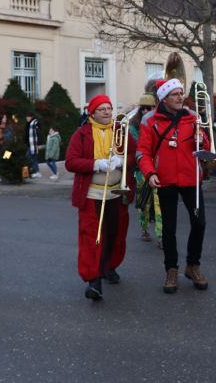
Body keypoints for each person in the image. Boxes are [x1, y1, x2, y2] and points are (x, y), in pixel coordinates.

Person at [138, 79, 210, 294]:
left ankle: (193, 266)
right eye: (175, 94)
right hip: (165, 179)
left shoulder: (193, 117)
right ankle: (171, 269)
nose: (180, 97)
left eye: (181, 93)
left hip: (191, 178)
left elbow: (205, 146)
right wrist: (150, 173)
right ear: (164, 98)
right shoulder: (149, 120)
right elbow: (143, 152)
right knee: (168, 228)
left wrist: (202, 141)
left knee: (199, 223)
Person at [65, 94, 137, 301]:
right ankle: (93, 280)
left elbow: (136, 154)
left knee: (115, 233)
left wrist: (121, 161)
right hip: (91, 193)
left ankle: (110, 267)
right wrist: (97, 164)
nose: (107, 112)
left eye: (109, 108)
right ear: (93, 113)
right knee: (91, 236)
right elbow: (70, 162)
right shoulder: (81, 134)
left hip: (117, 192)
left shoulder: (121, 131)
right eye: (102, 109)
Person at [129, 94, 162, 248]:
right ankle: (144, 229)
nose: (145, 111)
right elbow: (139, 149)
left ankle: (161, 235)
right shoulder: (134, 127)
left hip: (159, 169)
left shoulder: (160, 123)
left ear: (155, 108)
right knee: (144, 202)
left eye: (149, 108)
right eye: (143, 108)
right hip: (141, 170)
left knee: (159, 202)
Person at [24, 112, 42, 178]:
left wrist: (39, 143)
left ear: (31, 117)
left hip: (34, 144)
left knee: (28, 156)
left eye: (28, 116)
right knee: (34, 158)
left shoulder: (35, 123)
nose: (27, 118)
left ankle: (35, 170)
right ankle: (38, 172)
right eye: (26, 117)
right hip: (30, 144)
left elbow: (39, 134)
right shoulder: (29, 123)